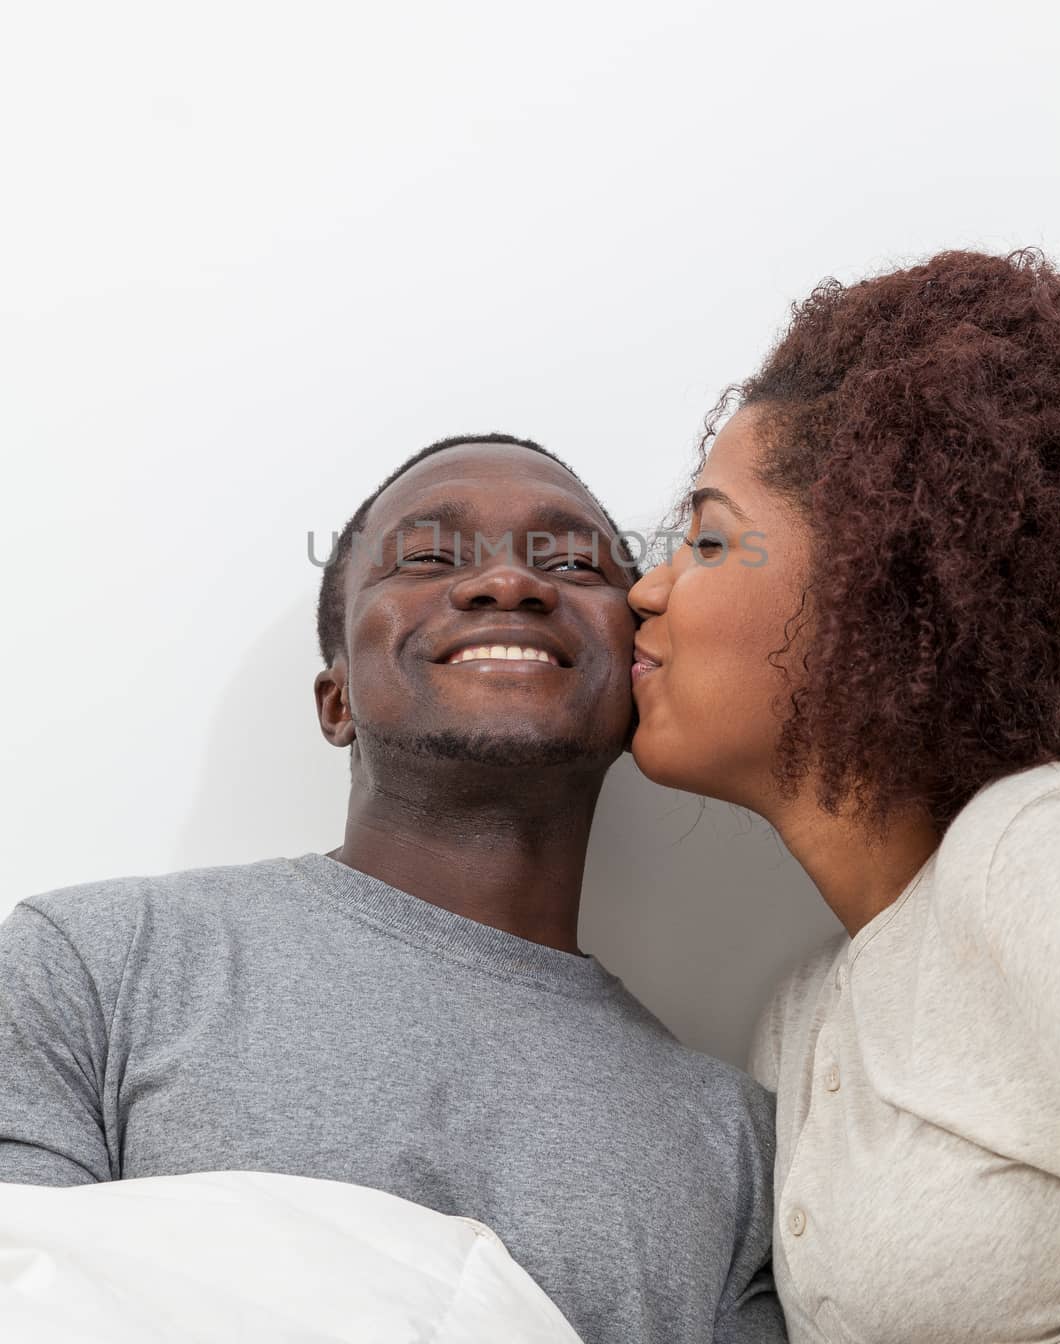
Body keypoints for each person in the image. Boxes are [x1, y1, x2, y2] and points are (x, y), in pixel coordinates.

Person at [0, 433, 784, 1344]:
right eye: (424, 558)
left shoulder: (738, 1146)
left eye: (572, 564)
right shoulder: (92, 966)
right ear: (336, 702)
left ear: (638, 682)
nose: (508, 584)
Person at [627, 248, 1060, 1343]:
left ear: (875, 580)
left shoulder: (1029, 854)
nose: (645, 586)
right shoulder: (797, 1018)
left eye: (709, 537)